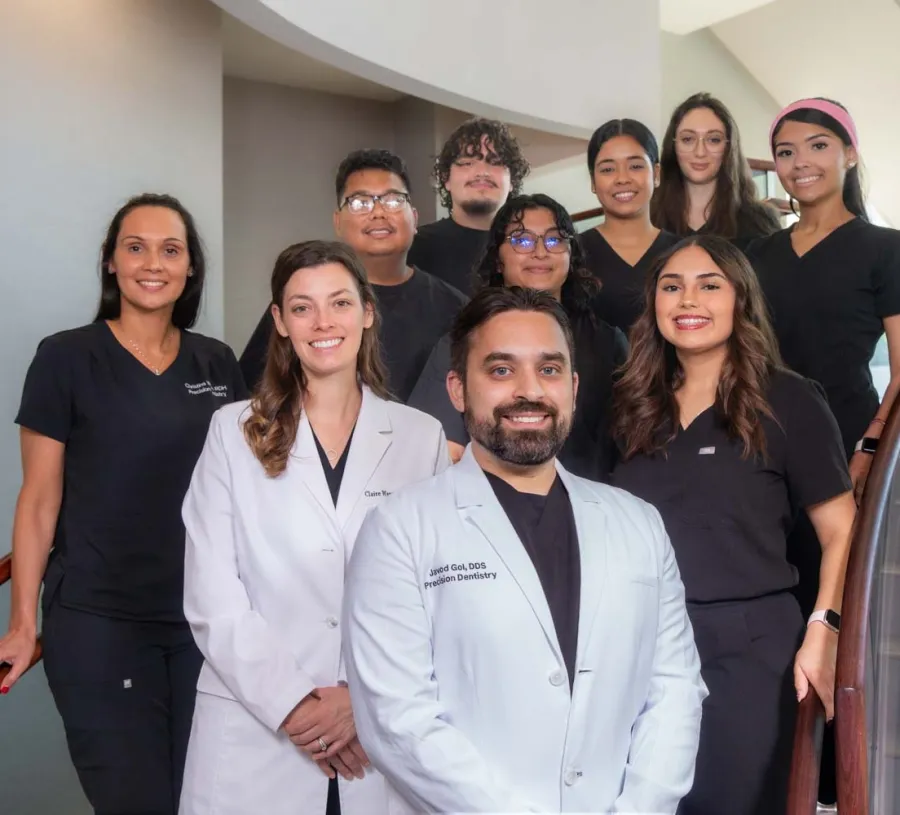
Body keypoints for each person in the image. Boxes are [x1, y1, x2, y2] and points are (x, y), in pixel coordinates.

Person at [343, 286, 706, 814]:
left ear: (574, 388)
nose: (529, 390)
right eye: (500, 370)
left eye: (550, 369)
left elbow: (674, 691)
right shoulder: (400, 529)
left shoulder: (638, 524)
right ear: (457, 389)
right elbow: (398, 719)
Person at [179, 240, 449, 815]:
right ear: (279, 321)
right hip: (257, 731)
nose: (323, 322)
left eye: (340, 303)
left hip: (376, 734)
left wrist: (359, 700)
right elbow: (212, 597)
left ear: (367, 311)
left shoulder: (419, 436)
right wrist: (295, 705)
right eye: (302, 307)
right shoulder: (231, 432)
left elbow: (434, 595)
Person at [0, 194, 247, 814]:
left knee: (207, 800)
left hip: (203, 625)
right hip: (99, 624)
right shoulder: (65, 357)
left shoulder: (215, 361)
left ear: (191, 268)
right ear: (111, 261)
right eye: (135, 247)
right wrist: (25, 623)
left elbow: (246, 492)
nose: (152, 263)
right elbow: (37, 502)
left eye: (171, 249)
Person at [611, 235, 856, 815]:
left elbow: (842, 530)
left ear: (740, 298)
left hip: (749, 650)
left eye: (709, 284)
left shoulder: (788, 399)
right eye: (672, 286)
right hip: (641, 643)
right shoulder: (631, 404)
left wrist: (825, 631)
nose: (687, 299)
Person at [747, 98, 900, 806]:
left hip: (850, 451)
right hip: (766, 449)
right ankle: (780, 768)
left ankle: (843, 778)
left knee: (841, 608)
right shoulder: (760, 256)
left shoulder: (885, 248)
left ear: (849, 154)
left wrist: (869, 449)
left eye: (816, 146)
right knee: (782, 605)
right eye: (785, 151)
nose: (800, 162)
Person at [407, 193, 627, 480]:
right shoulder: (463, 341)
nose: (540, 252)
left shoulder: (608, 343)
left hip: (591, 509)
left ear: (571, 256)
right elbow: (440, 452)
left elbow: (630, 442)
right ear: (497, 260)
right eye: (522, 240)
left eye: (554, 240)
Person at [238, 149, 467, 398]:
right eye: (360, 203)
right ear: (337, 222)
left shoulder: (456, 307)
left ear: (414, 218)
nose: (378, 213)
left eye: (392, 200)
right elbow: (255, 391)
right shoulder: (302, 300)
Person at [407, 117, 530, 295]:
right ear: (446, 179)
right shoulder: (413, 249)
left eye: (495, 162)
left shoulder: (533, 248)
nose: (482, 172)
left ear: (512, 180)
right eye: (467, 163)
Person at [579, 118, 680, 333]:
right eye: (607, 169)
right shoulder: (571, 254)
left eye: (635, 166)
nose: (622, 179)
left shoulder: (684, 252)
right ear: (592, 182)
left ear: (657, 174)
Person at [652, 93, 781, 249]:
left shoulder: (760, 222)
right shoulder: (648, 217)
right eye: (688, 139)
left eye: (713, 140)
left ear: (728, 147)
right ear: (673, 145)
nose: (700, 152)